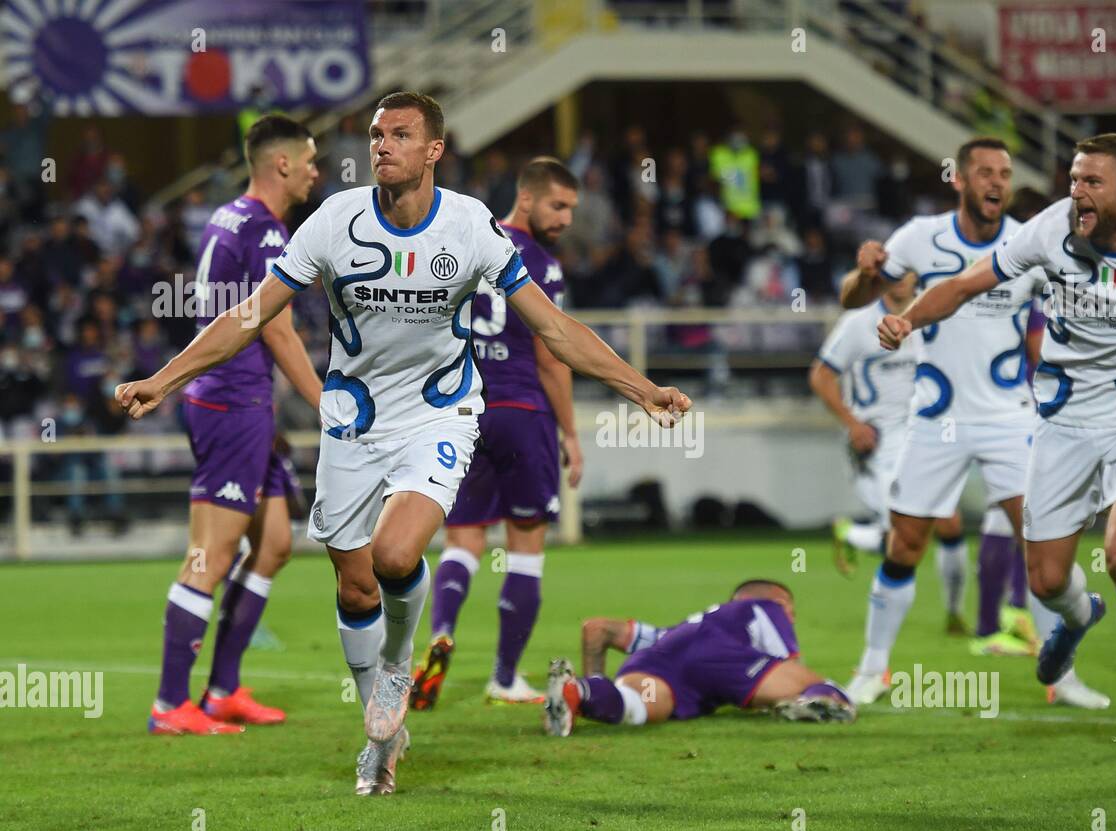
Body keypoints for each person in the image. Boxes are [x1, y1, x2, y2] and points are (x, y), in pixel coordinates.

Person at [115, 92, 691, 795]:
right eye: (376, 133)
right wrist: (163, 378)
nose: (381, 145)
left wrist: (643, 389)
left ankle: (396, 666)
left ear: (433, 151)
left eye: (400, 134)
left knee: (394, 554)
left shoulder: (470, 227)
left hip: (439, 414)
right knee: (353, 583)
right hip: (352, 420)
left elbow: (556, 330)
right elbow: (249, 316)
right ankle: (379, 733)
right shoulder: (335, 223)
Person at [876, 133, 1116, 757]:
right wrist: (907, 320)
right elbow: (966, 283)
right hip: (1061, 424)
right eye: (1073, 179)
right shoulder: (1048, 229)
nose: (1077, 193)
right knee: (1045, 580)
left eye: (1092, 182)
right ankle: (1078, 615)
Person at [839, 138, 1105, 711]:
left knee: (1043, 549)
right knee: (905, 543)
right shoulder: (918, 236)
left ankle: (1062, 677)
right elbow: (851, 298)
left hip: (1012, 420)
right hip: (937, 420)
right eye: (984, 172)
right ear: (959, 180)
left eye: (1004, 173)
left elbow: (1065, 314)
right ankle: (871, 669)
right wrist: (865, 276)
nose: (996, 181)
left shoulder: (1030, 241)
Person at [141, 115, 322, 735]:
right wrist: (324, 403)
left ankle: (222, 689)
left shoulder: (227, 218)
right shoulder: (268, 231)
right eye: (310, 162)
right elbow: (274, 327)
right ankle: (170, 704)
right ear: (281, 165)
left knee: (273, 545)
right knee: (210, 555)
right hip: (230, 404)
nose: (316, 173)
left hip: (244, 405)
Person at [411, 157, 583, 709]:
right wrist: (572, 434)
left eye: (571, 209)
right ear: (527, 199)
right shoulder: (539, 264)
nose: (566, 219)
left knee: (462, 540)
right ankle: (506, 678)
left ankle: (441, 632)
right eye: (559, 205)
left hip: (462, 411)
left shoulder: (466, 246)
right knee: (526, 546)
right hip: (522, 409)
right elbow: (553, 355)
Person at [809, 273, 971, 635]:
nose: (900, 281)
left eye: (907, 272)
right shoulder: (858, 324)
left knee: (949, 524)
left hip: (924, 438)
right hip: (878, 444)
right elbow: (820, 375)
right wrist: (852, 424)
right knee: (908, 535)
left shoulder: (933, 318)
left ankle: (954, 613)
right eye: (893, 274)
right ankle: (853, 536)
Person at [542, 580, 855, 735]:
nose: (792, 617)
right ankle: (821, 703)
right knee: (819, 684)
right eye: (791, 610)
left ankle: (576, 693)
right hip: (721, 660)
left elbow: (596, 630)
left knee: (636, 704)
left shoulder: (684, 628)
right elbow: (788, 665)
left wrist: (596, 678)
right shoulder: (765, 607)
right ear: (778, 601)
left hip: (658, 664)